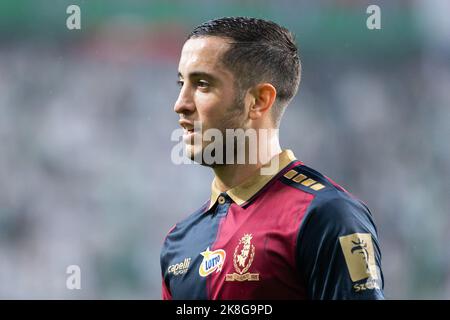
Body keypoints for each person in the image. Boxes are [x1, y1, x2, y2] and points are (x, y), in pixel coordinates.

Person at [160, 16, 384, 300]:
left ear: (258, 101)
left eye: (202, 84)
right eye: (181, 83)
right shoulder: (179, 241)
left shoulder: (328, 217)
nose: (180, 104)